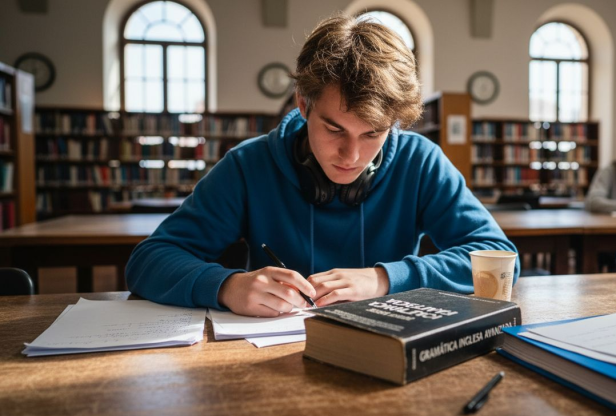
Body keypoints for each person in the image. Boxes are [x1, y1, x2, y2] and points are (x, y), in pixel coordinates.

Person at [125, 14, 519, 317]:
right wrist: (226, 286)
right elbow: (149, 259)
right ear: (303, 104)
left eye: (372, 134)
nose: (351, 156)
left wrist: (384, 278)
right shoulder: (248, 166)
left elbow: (499, 257)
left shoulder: (421, 161)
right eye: (334, 129)